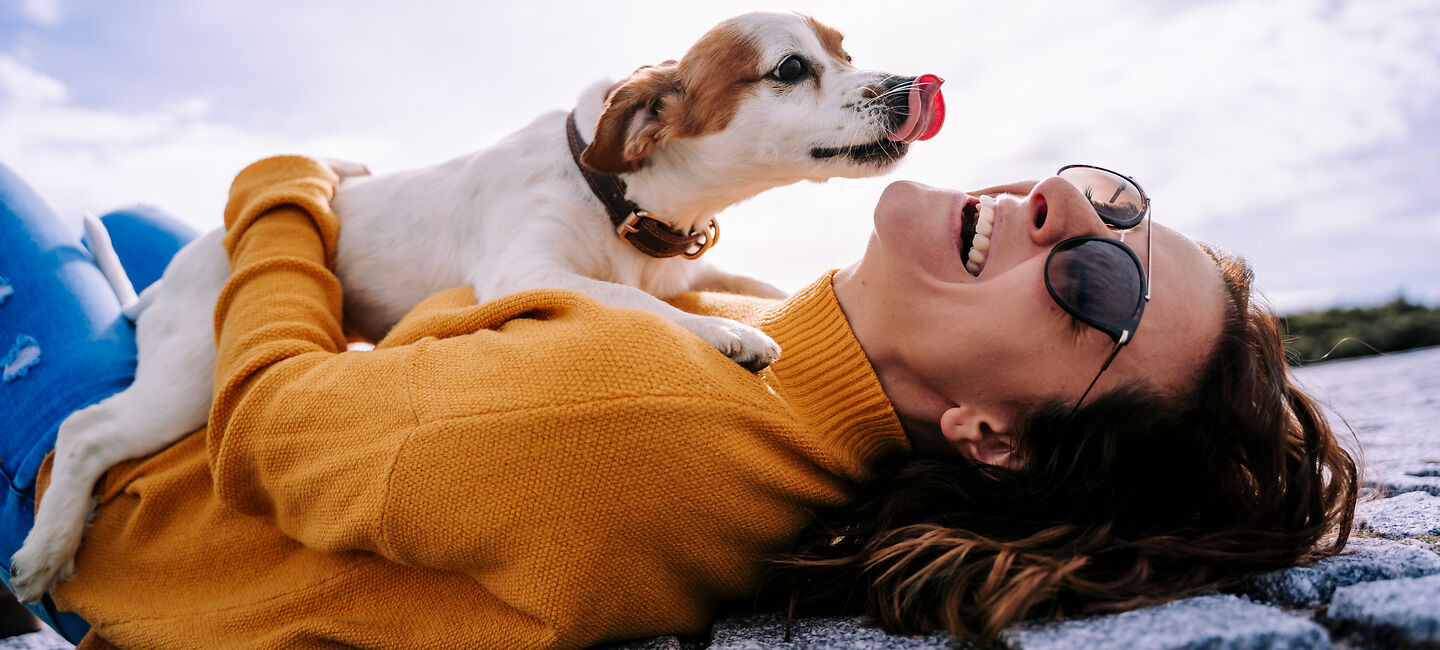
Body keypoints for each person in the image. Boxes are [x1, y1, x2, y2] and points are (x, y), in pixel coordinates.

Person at [0, 156, 1355, 649]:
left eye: (1101, 282)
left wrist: (290, 189)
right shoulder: (781, 333)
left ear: (991, 437)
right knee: (130, 218)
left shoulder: (631, 420)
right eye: (1113, 200)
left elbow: (274, 430)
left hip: (116, 498)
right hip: (194, 393)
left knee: (30, 207)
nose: (1066, 210)